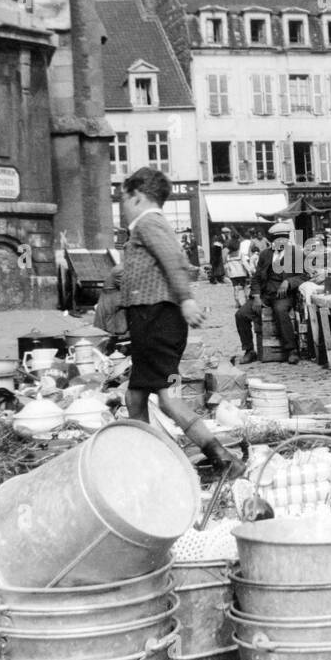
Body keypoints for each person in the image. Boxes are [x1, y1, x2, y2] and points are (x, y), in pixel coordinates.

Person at [119, 168, 240, 473]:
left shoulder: (148, 222)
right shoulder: (151, 225)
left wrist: (185, 299)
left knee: (168, 400)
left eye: (123, 198)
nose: (121, 205)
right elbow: (183, 264)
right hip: (153, 322)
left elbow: (173, 258)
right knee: (136, 395)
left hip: (155, 320)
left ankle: (221, 457)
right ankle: (145, 459)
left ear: (137, 196)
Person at [234, 221, 306, 365]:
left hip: (284, 296)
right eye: (277, 239)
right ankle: (249, 351)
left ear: (288, 239)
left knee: (280, 311)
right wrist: (255, 296)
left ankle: (291, 350)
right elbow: (256, 278)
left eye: (284, 239)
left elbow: (303, 276)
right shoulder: (265, 254)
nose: (281, 242)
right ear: (272, 241)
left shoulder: (296, 254)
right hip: (266, 295)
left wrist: (288, 282)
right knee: (241, 314)